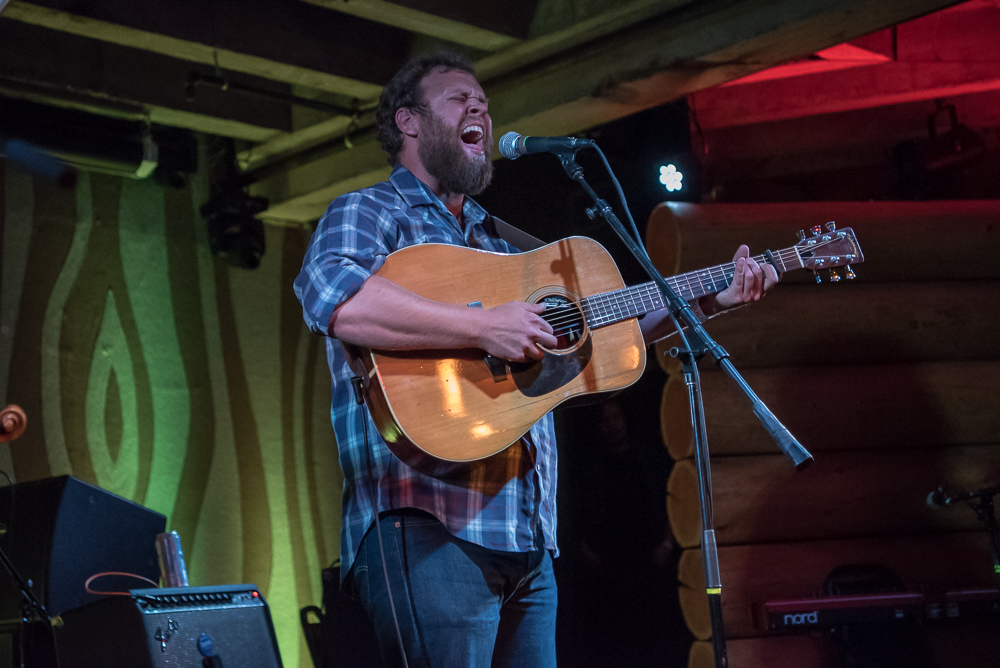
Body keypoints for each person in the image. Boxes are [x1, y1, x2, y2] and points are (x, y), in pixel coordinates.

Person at [294, 51, 778, 668]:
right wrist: (482, 325)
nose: (480, 108)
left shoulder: (503, 245)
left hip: (526, 539)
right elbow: (336, 300)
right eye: (458, 98)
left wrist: (707, 297)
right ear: (408, 122)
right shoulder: (367, 213)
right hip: (425, 524)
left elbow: (608, 331)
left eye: (484, 104)